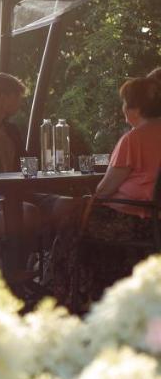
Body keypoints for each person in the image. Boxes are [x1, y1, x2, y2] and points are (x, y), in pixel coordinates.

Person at [44, 77, 161, 311]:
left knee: (72, 224)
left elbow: (104, 190)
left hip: (135, 220)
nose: (122, 109)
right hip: (153, 220)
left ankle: (66, 295)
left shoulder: (134, 139)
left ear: (134, 108)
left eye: (124, 103)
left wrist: (94, 195)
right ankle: (100, 293)